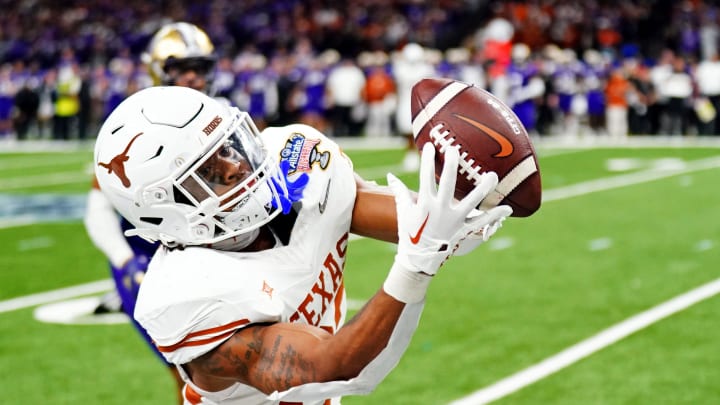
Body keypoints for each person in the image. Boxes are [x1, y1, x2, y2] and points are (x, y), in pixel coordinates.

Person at [93, 85, 512, 404]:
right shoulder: (188, 295)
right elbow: (336, 369)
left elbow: (419, 226)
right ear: (167, 208)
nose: (238, 164)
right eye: (211, 171)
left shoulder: (297, 162)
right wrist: (414, 266)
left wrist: (469, 207)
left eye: (231, 145)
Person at [83, 21, 218, 404]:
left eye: (201, 67)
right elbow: (98, 205)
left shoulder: (219, 114)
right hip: (150, 259)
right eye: (182, 67)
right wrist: (126, 260)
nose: (194, 77)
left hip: (207, 251)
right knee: (192, 372)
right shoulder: (136, 121)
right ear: (159, 69)